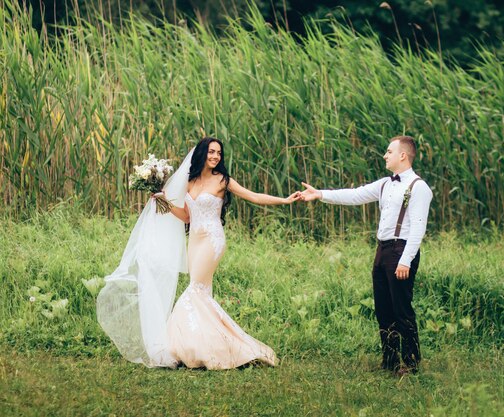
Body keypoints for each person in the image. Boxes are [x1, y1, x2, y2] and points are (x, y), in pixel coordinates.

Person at [97, 137, 300, 369]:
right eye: (212, 152)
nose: (215, 157)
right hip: (193, 241)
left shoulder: (223, 180)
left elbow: (253, 196)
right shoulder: (190, 182)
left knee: (194, 290)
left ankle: (198, 347)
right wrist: (164, 201)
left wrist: (284, 200)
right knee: (202, 295)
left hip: (212, 240)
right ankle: (208, 346)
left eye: (219, 153)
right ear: (202, 154)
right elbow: (186, 216)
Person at [300, 136, 432, 375]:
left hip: (401, 251)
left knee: (402, 308)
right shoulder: (385, 184)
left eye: (389, 151)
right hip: (382, 250)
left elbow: (418, 227)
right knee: (383, 308)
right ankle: (389, 359)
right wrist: (320, 194)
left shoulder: (418, 187)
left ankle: (411, 363)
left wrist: (405, 260)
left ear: (403, 155)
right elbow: (354, 195)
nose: (385, 155)